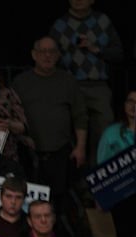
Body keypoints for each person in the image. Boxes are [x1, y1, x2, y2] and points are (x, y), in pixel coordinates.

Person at [11, 37, 87, 208]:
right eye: (42, 51)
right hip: (27, 153)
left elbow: (80, 115)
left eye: (52, 51)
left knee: (60, 201)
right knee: (27, 200)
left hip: (60, 151)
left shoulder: (68, 81)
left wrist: (80, 146)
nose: (47, 56)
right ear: (33, 55)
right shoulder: (20, 82)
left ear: (58, 55)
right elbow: (12, 115)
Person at [49, 1, 123, 161]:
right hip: (70, 85)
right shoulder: (60, 25)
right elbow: (49, 57)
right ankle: (75, 180)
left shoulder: (102, 20)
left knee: (104, 131)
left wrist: (96, 49)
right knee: (68, 131)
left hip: (98, 85)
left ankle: (101, 176)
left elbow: (118, 54)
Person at [96, 91, 136, 237]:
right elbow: (101, 166)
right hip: (121, 197)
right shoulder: (111, 133)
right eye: (131, 101)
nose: (134, 106)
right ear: (124, 105)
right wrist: (100, 197)